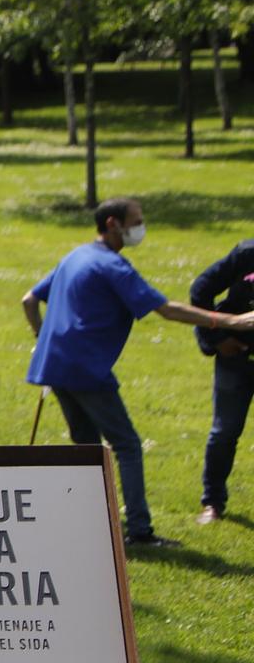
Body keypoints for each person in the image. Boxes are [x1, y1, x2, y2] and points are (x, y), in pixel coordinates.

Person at [23, 198, 254, 546]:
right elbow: (167, 310)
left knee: (85, 446)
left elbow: (29, 299)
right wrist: (231, 321)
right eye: (137, 221)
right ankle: (140, 532)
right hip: (86, 370)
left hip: (53, 367)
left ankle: (89, 524)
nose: (141, 228)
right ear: (114, 224)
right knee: (127, 445)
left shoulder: (76, 255)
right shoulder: (114, 267)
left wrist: (42, 337)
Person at [192, 236, 254, 525]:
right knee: (225, 431)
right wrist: (216, 339)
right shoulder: (246, 254)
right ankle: (213, 503)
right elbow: (200, 291)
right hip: (236, 358)